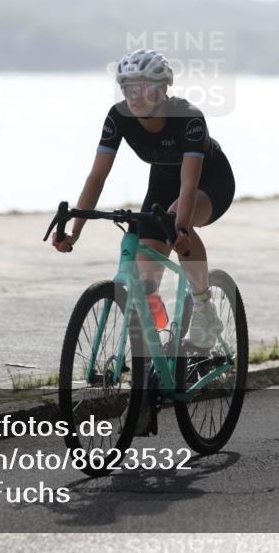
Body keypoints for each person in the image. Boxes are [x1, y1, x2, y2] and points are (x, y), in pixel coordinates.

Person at [51, 49, 235, 349]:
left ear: (163, 89)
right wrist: (75, 229)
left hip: (208, 182)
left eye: (145, 87)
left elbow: (188, 184)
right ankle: (157, 356)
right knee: (145, 282)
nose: (135, 96)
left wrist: (182, 231)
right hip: (162, 183)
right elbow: (97, 177)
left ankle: (204, 307)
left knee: (176, 217)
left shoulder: (188, 118)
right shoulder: (118, 116)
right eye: (128, 88)